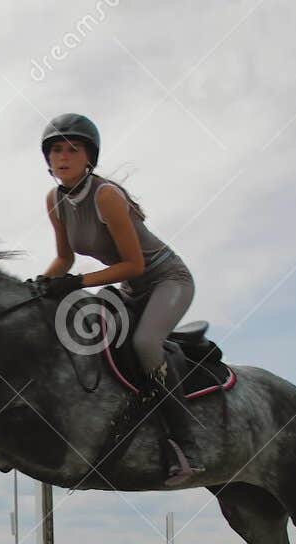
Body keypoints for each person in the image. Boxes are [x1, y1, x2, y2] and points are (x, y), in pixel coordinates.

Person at [32, 113, 201, 486]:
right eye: (56, 150)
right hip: (130, 288)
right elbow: (65, 257)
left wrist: (75, 283)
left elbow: (134, 263)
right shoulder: (54, 200)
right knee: (93, 339)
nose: (63, 157)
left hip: (166, 279)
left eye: (73, 149)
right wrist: (42, 284)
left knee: (144, 342)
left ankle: (186, 444)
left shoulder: (106, 196)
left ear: (89, 157)